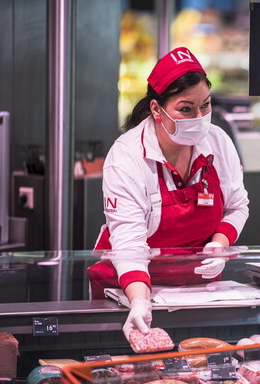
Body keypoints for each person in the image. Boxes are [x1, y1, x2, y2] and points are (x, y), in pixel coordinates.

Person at [87, 46, 249, 340]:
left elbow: (238, 206)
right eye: (186, 109)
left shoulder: (218, 141)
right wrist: (138, 301)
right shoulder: (127, 155)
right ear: (156, 110)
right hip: (127, 289)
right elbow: (129, 243)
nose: (199, 117)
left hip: (200, 292)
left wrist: (219, 244)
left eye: (206, 105)